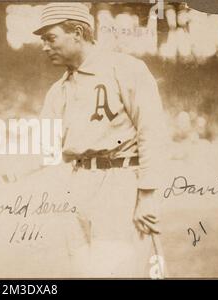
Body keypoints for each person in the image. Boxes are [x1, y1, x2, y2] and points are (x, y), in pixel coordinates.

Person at [31, 2, 167, 277]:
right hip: (76, 185)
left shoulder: (126, 69)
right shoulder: (58, 90)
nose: (44, 46)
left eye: (51, 38)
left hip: (119, 180)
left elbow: (152, 131)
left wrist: (148, 196)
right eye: (43, 40)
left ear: (78, 32)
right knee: (84, 272)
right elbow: (42, 150)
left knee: (117, 270)